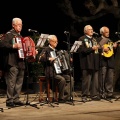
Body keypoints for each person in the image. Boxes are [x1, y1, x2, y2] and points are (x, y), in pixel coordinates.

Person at [39, 35, 74, 103]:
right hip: (50, 71)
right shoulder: (46, 50)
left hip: (59, 72)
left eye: (57, 41)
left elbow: (60, 62)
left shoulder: (57, 51)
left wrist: (66, 61)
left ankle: (67, 97)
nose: (56, 43)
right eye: (55, 41)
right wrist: (49, 58)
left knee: (70, 78)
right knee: (62, 79)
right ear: (50, 42)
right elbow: (40, 58)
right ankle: (61, 98)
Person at [0, 17, 25, 107]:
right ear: (13, 25)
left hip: (20, 62)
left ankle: (16, 99)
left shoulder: (21, 36)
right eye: (18, 25)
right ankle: (9, 100)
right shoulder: (9, 34)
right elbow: (2, 44)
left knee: (19, 81)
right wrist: (13, 46)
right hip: (12, 61)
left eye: (21, 25)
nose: (20, 26)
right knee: (11, 82)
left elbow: (23, 49)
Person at [78, 25, 100, 102]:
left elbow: (97, 51)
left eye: (92, 29)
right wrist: (92, 48)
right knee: (86, 80)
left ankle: (94, 95)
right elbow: (82, 50)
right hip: (87, 63)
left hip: (95, 62)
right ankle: (84, 95)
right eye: (90, 29)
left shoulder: (94, 39)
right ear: (85, 31)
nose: (92, 30)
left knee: (95, 80)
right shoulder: (82, 39)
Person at [98, 26, 117, 99]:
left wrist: (114, 47)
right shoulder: (98, 40)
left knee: (110, 78)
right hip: (103, 61)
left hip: (110, 61)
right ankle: (101, 93)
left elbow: (111, 51)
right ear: (102, 32)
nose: (108, 33)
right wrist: (102, 49)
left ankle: (109, 93)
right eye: (106, 32)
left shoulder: (110, 40)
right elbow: (97, 49)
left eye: (108, 32)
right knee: (102, 78)